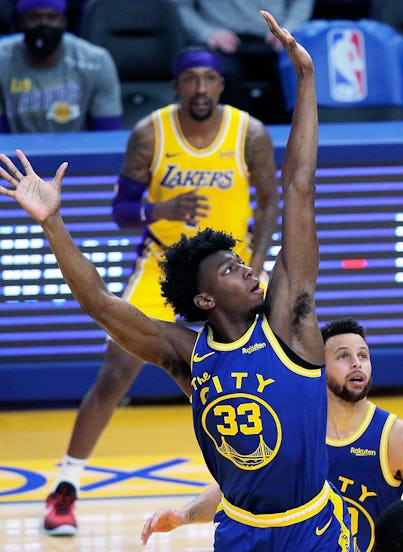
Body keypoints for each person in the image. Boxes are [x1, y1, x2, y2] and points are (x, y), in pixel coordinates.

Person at [0, 10, 351, 551]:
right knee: (115, 366)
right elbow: (97, 302)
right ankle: (66, 481)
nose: (250, 271)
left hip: (317, 528)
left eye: (244, 265)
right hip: (238, 530)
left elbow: (297, 187)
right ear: (207, 297)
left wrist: (306, 78)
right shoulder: (186, 354)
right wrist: (53, 224)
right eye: (235, 270)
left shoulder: (291, 320)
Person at [39, 44, 280, 536]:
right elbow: (122, 212)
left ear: (220, 85)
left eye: (208, 79)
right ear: (175, 86)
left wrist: (254, 265)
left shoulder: (248, 133)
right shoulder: (151, 133)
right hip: (164, 268)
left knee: (282, 361)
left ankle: (302, 470)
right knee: (116, 371)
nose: (199, 89)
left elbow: (272, 199)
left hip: (232, 272)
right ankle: (65, 486)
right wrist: (160, 210)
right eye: (189, 79)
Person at [140, 318, 403, 552]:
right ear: (318, 366)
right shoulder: (292, 425)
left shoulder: (398, 438)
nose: (357, 364)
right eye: (343, 356)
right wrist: (184, 515)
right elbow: (243, 492)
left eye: (363, 355)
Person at [173, 0, 314, 123]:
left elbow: (301, 2)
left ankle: (295, 135)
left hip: (277, 37)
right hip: (219, 39)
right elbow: (181, 6)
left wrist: (288, 29)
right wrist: (207, 33)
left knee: (299, 71)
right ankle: (235, 135)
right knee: (220, 74)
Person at [0, 0, 122, 133]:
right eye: (34, 17)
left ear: (64, 22)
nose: (44, 24)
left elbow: (108, 135)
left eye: (52, 17)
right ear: (20, 22)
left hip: (78, 151)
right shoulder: (2, 60)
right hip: (15, 152)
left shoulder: (96, 61)